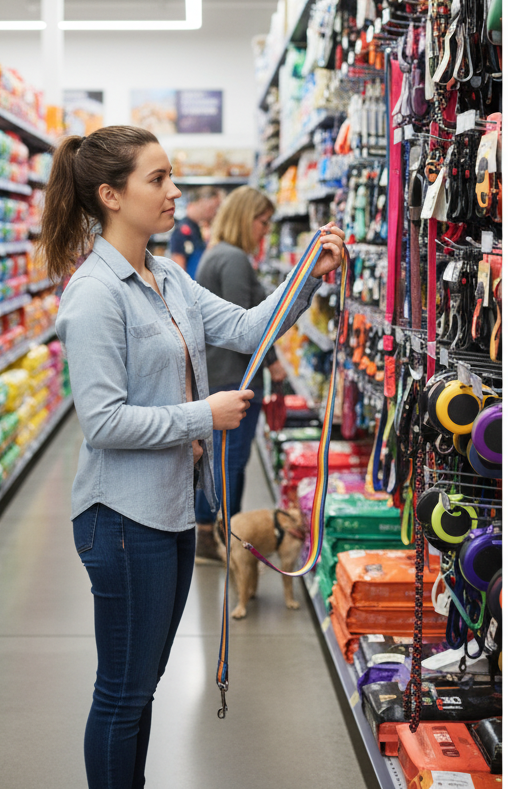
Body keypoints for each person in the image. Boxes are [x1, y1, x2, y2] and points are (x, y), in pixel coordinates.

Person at [41, 126, 344, 789]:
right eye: (158, 179)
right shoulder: (94, 295)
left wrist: (307, 278)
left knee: (143, 684)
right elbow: (102, 422)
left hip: (174, 511)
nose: (176, 192)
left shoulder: (169, 276)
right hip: (121, 519)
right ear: (110, 196)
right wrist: (203, 416)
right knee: (122, 693)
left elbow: (246, 327)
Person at [192, 185, 286, 562]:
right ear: (246, 218)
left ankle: (209, 535)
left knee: (219, 461)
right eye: (263, 222)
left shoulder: (220, 254)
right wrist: (272, 360)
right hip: (233, 377)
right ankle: (222, 540)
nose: (266, 230)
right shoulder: (233, 260)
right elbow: (243, 326)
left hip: (222, 374)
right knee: (229, 463)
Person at [169, 184, 222, 277]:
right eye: (213, 207)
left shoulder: (197, 228)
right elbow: (178, 269)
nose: (215, 212)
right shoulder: (182, 231)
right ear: (203, 202)